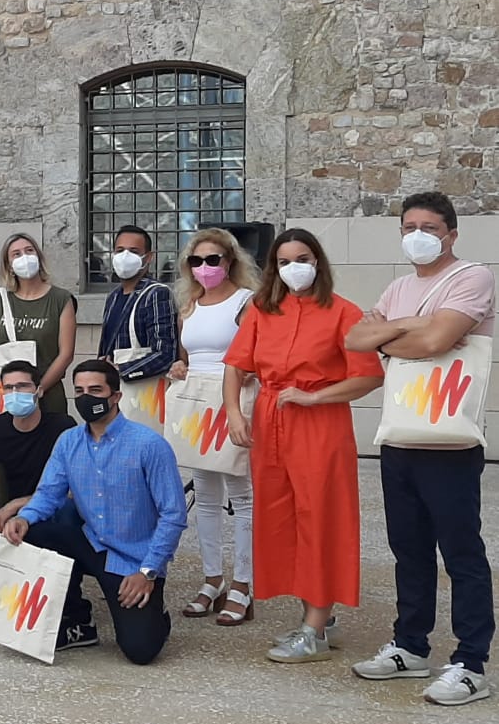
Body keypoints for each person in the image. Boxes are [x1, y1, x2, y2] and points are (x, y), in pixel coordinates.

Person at [345, 192, 495, 706]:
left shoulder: (472, 277)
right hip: (401, 434)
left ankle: (472, 661)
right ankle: (411, 645)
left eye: (429, 225)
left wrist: (395, 335)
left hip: (448, 439)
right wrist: (411, 327)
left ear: (451, 232)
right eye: (409, 225)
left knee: (461, 551)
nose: (418, 234)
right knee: (408, 548)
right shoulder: (400, 286)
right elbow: (356, 339)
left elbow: (439, 342)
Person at [223, 228, 383, 664]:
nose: (296, 267)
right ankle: (316, 612)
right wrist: (235, 413)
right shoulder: (262, 308)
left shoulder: (343, 312)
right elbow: (236, 366)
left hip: (320, 424)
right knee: (281, 517)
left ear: (319, 261)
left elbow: (369, 375)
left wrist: (316, 396)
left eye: (304, 257)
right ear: (274, 267)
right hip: (271, 421)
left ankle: (315, 627)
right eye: (286, 260)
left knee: (320, 516)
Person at [4, 360, 189, 664]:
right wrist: (23, 518)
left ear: (115, 396)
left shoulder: (149, 446)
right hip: (90, 544)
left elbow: (173, 515)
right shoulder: (69, 442)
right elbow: (49, 493)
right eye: (79, 391)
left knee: (141, 650)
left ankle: (156, 614)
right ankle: (75, 618)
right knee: (38, 527)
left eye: (95, 390)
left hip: (133, 561)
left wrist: (148, 571)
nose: (86, 398)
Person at [167, 228, 259, 626]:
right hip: (197, 403)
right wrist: (178, 367)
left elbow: (256, 350)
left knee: (242, 494)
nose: (204, 267)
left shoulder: (246, 301)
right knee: (204, 494)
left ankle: (243, 582)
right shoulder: (188, 305)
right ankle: (212, 578)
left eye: (213, 260)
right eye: (196, 261)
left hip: (235, 398)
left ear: (230, 262)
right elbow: (186, 354)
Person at [0, 231, 77, 418]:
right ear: (8, 265)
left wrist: (37, 389)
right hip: (8, 397)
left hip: (47, 394)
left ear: (39, 257)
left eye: (29, 251)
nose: (24, 257)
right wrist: (10, 388)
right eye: (16, 254)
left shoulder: (61, 299)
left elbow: (66, 354)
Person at [0, 360, 73, 533]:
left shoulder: (63, 427)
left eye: (22, 386)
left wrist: (16, 505)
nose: (15, 393)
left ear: (39, 391)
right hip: (11, 519)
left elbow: (73, 490)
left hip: (56, 513)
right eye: (8, 387)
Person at [97, 224, 180, 389]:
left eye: (134, 251)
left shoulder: (156, 293)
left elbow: (165, 353)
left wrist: (121, 370)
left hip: (143, 392)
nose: (125, 256)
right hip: (113, 389)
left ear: (148, 257)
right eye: (119, 250)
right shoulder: (113, 296)